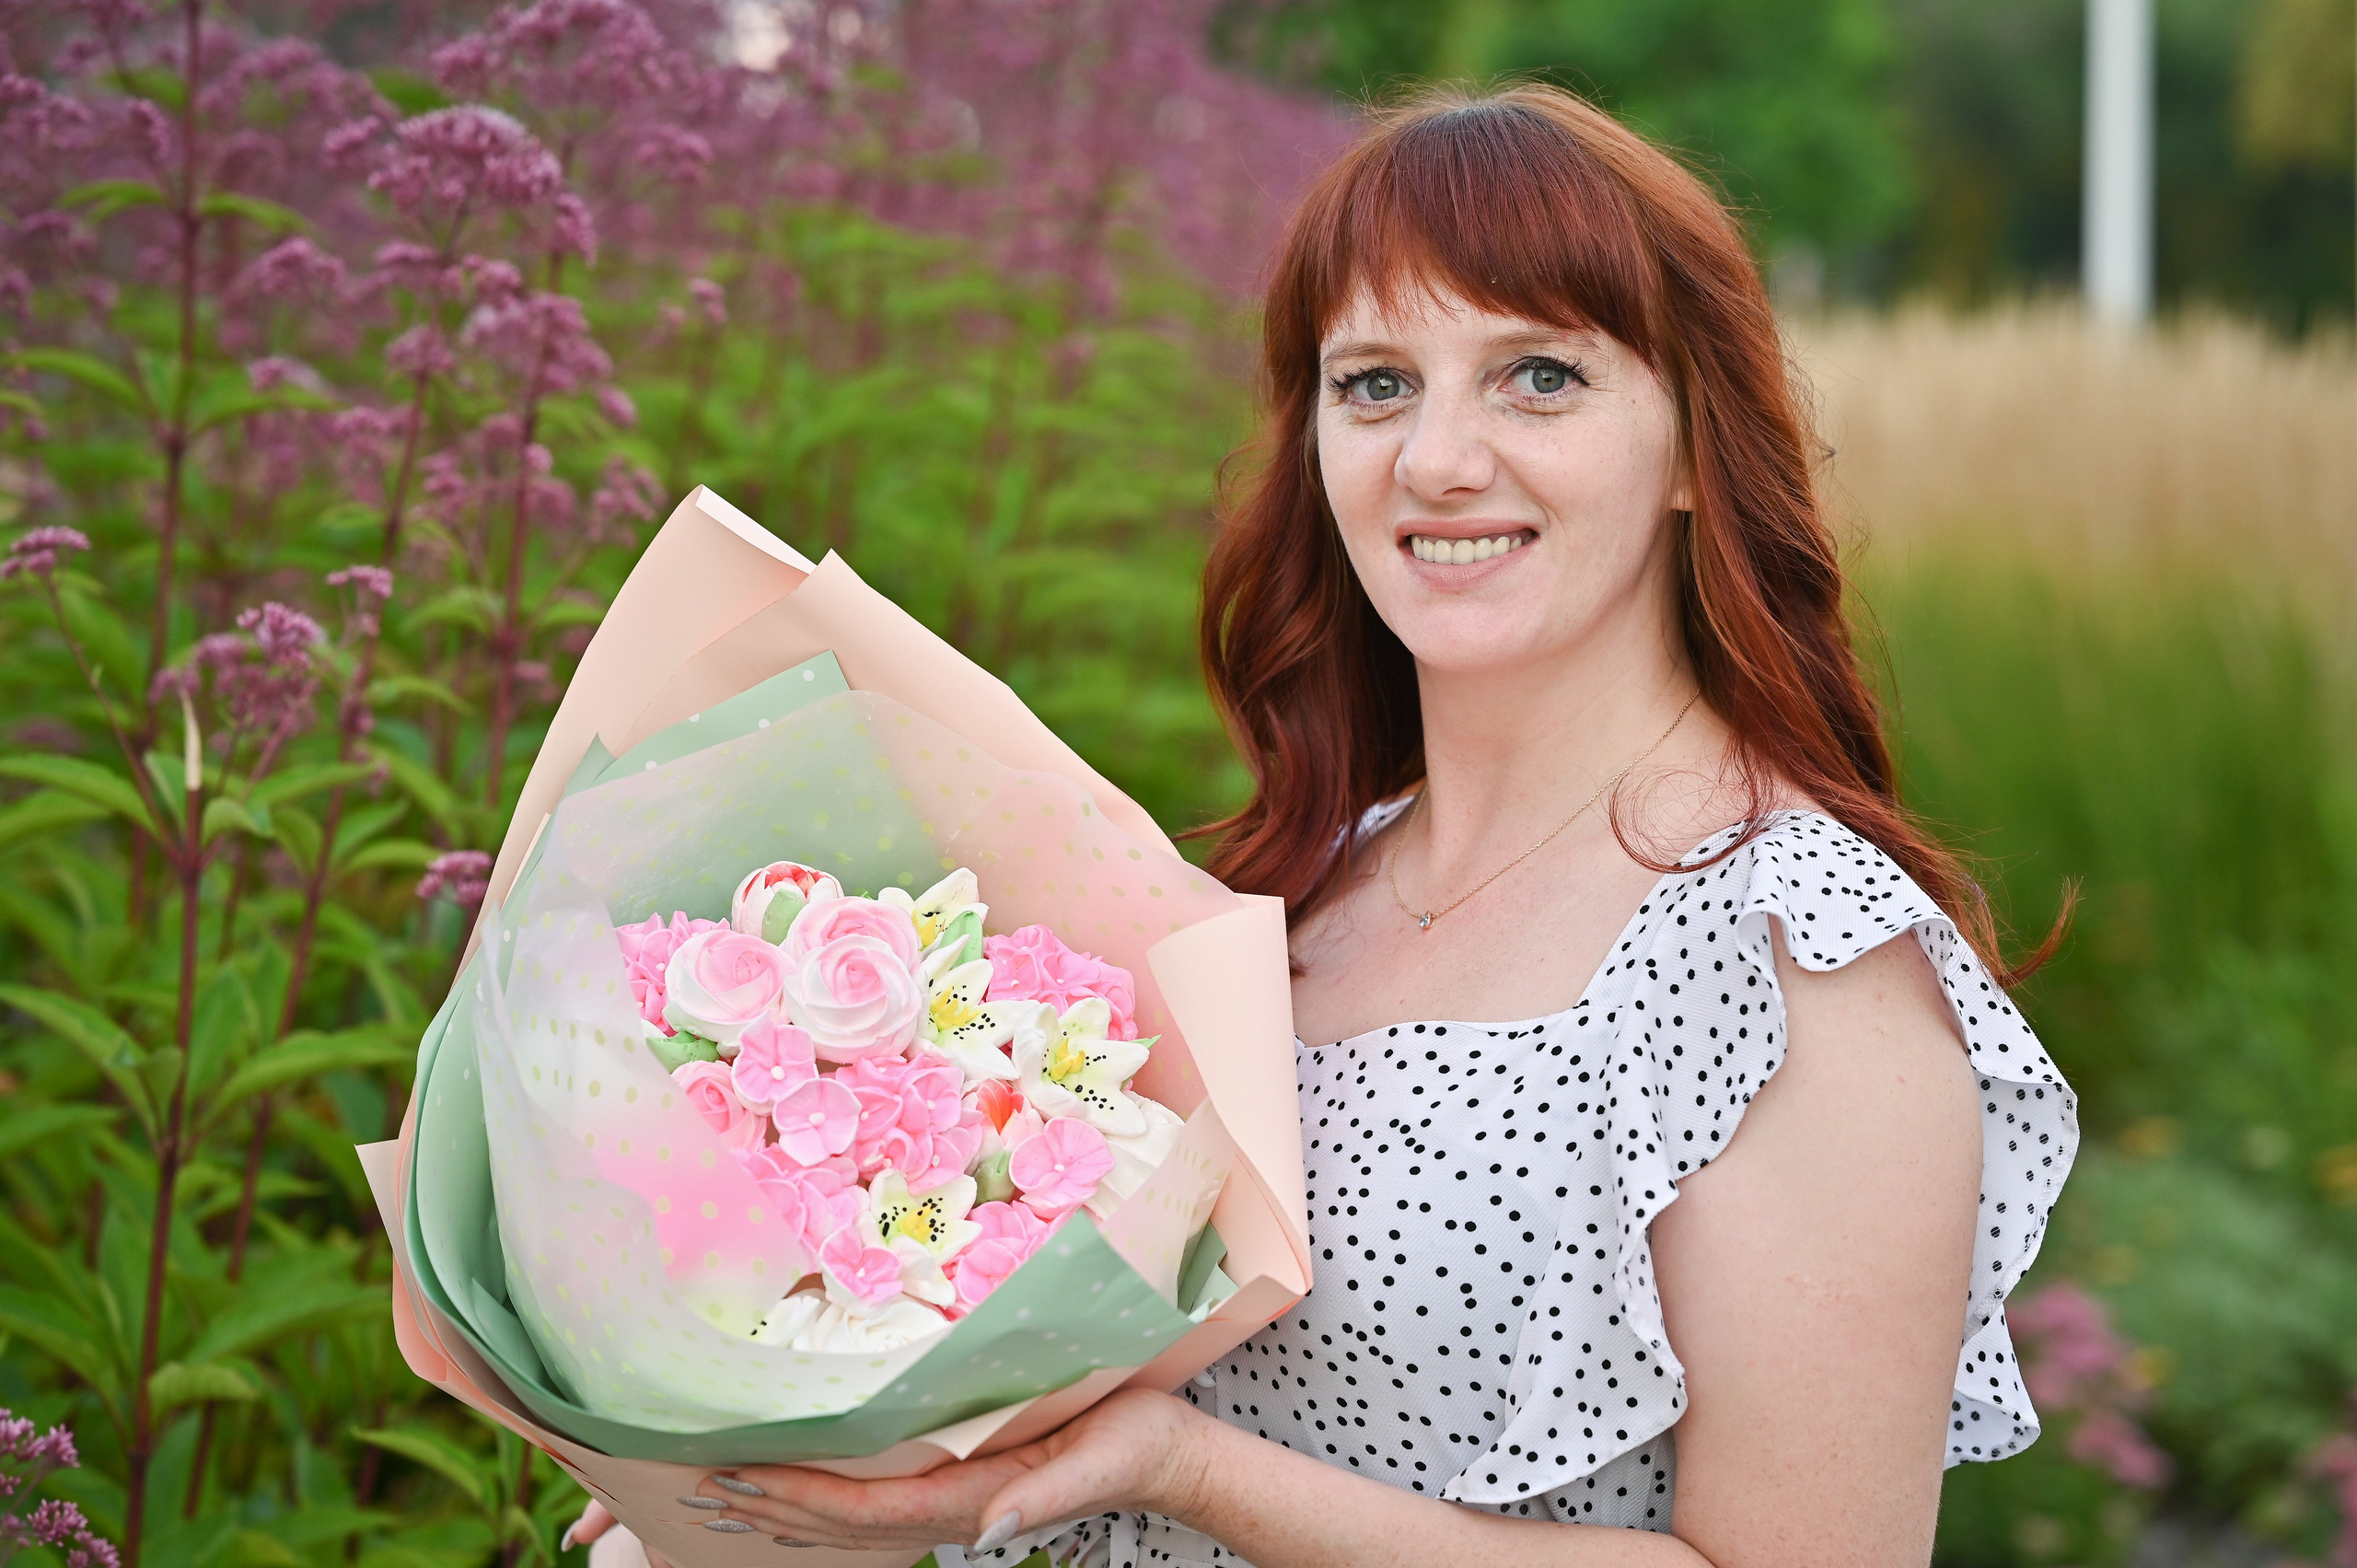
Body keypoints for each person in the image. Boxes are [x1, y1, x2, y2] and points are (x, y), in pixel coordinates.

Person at [575, 83, 2078, 1568]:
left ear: (1696, 449)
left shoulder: (1800, 961)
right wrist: (794, 1451)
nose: (1436, 461)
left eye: (1538, 376)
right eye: (1375, 385)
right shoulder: (1282, 896)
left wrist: (1188, 1471)